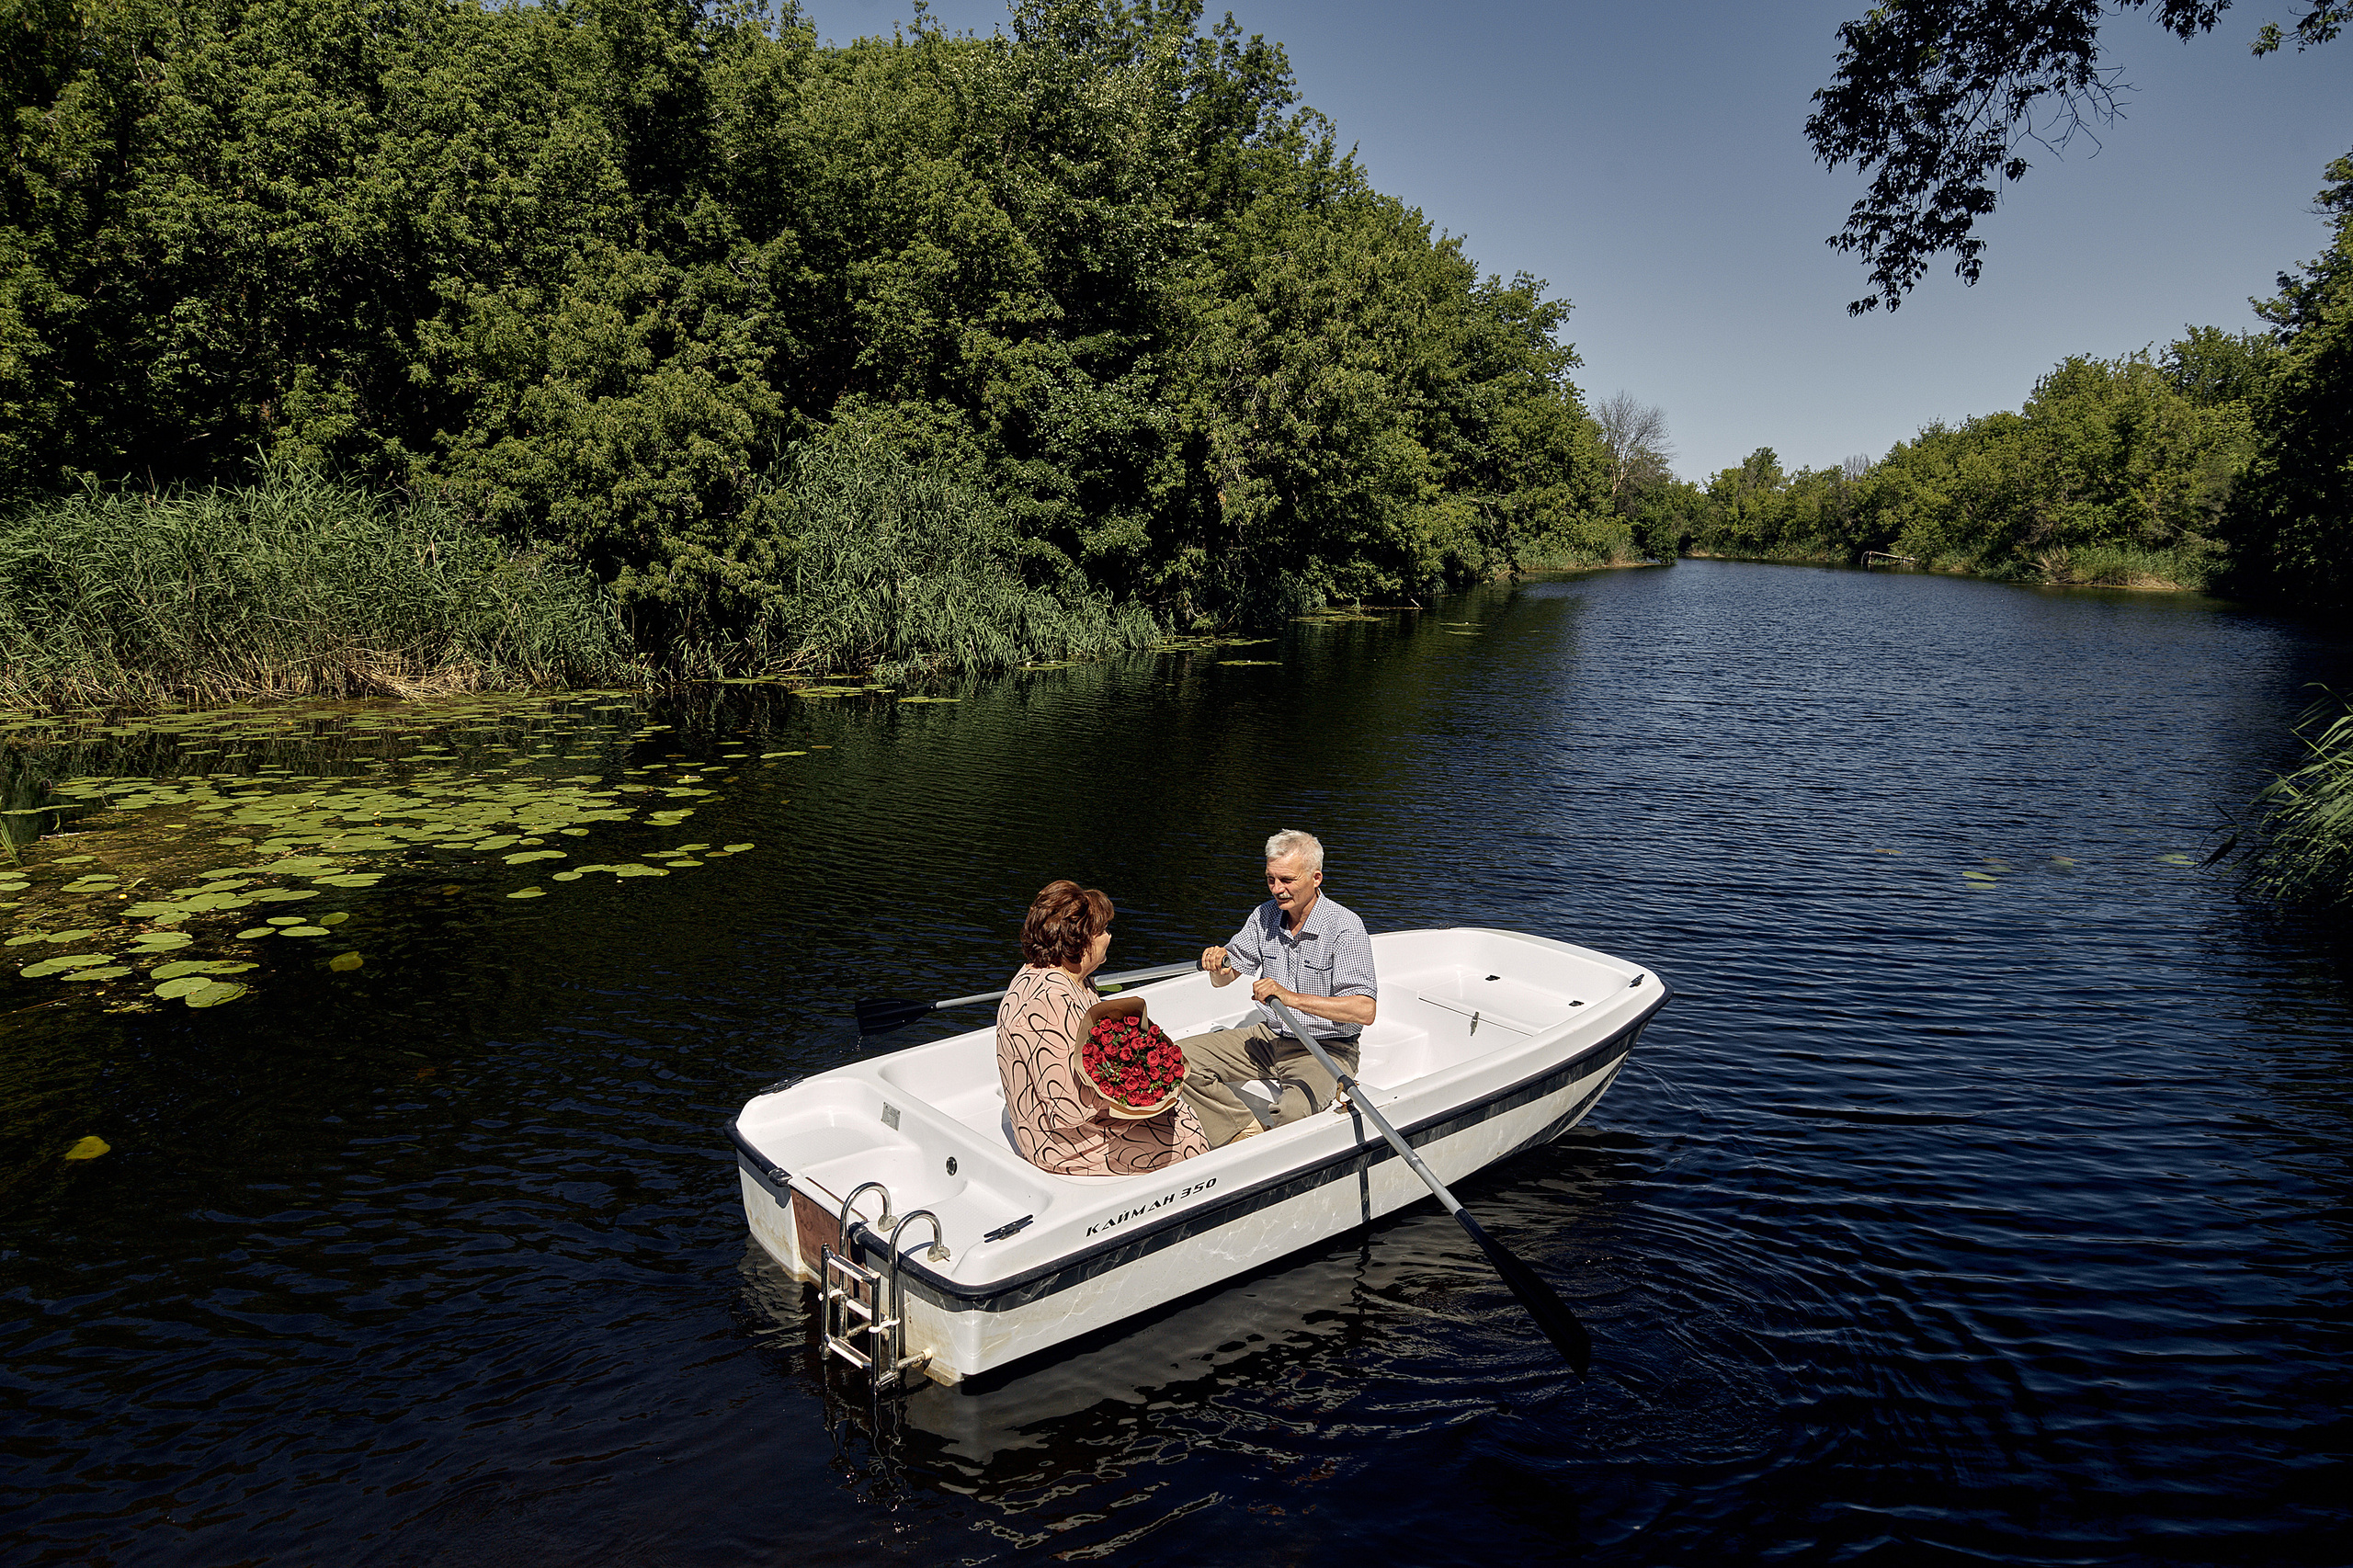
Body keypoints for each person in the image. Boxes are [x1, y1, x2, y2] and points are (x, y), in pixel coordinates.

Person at [997, 880, 1209, 1176]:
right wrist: (1142, 1093)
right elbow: (1066, 1105)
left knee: (1180, 1111)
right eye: (1103, 931)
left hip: (1081, 1125)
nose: (1109, 938)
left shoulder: (1062, 977)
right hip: (1061, 1142)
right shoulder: (1049, 1002)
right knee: (1187, 1139)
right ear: (1081, 940)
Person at [1181, 830, 1378, 1147]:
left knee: (1291, 1112)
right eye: (1271, 879)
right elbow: (1226, 977)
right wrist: (1217, 965)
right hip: (1271, 1036)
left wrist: (1290, 998)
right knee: (1176, 1058)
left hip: (1326, 1047)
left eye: (1287, 879)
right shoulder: (1265, 916)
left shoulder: (1345, 926)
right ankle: (1242, 1131)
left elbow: (1364, 1010)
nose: (1277, 889)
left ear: (1316, 878)